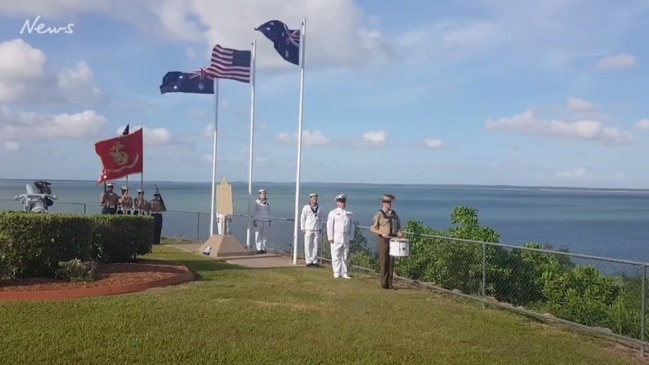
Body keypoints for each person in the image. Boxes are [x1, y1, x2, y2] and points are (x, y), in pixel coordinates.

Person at [370, 193, 404, 290]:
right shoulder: (379, 214)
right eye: (387, 202)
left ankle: (390, 282)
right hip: (383, 239)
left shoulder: (394, 214)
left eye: (390, 202)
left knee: (391, 262)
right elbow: (372, 228)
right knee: (384, 260)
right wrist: (381, 233)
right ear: (383, 203)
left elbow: (398, 228)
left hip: (393, 240)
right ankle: (384, 283)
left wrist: (399, 233)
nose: (389, 204)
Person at [326, 194, 354, 279]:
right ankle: (336, 272)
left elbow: (352, 226)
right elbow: (329, 225)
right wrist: (330, 237)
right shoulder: (333, 213)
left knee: (345, 255)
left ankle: (344, 272)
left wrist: (351, 237)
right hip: (336, 237)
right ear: (337, 203)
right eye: (341, 201)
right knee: (336, 255)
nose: (343, 203)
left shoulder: (349, 213)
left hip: (345, 237)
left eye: (344, 201)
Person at [300, 193, 321, 266]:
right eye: (313, 198)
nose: (315, 199)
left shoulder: (319, 207)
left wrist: (320, 227)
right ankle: (308, 260)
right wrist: (302, 228)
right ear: (310, 199)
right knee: (308, 245)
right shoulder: (306, 207)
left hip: (316, 229)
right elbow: (303, 218)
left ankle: (315, 260)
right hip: (308, 229)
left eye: (316, 198)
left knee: (315, 245)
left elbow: (320, 218)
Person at [254, 188, 271, 254]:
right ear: (260, 194)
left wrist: (270, 219)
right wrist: (254, 220)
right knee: (258, 234)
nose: (264, 195)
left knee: (264, 235)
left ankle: (263, 248)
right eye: (262, 194)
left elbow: (269, 211)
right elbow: (254, 211)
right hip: (258, 219)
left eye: (265, 194)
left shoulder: (268, 202)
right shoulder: (256, 202)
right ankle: (258, 248)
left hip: (266, 220)